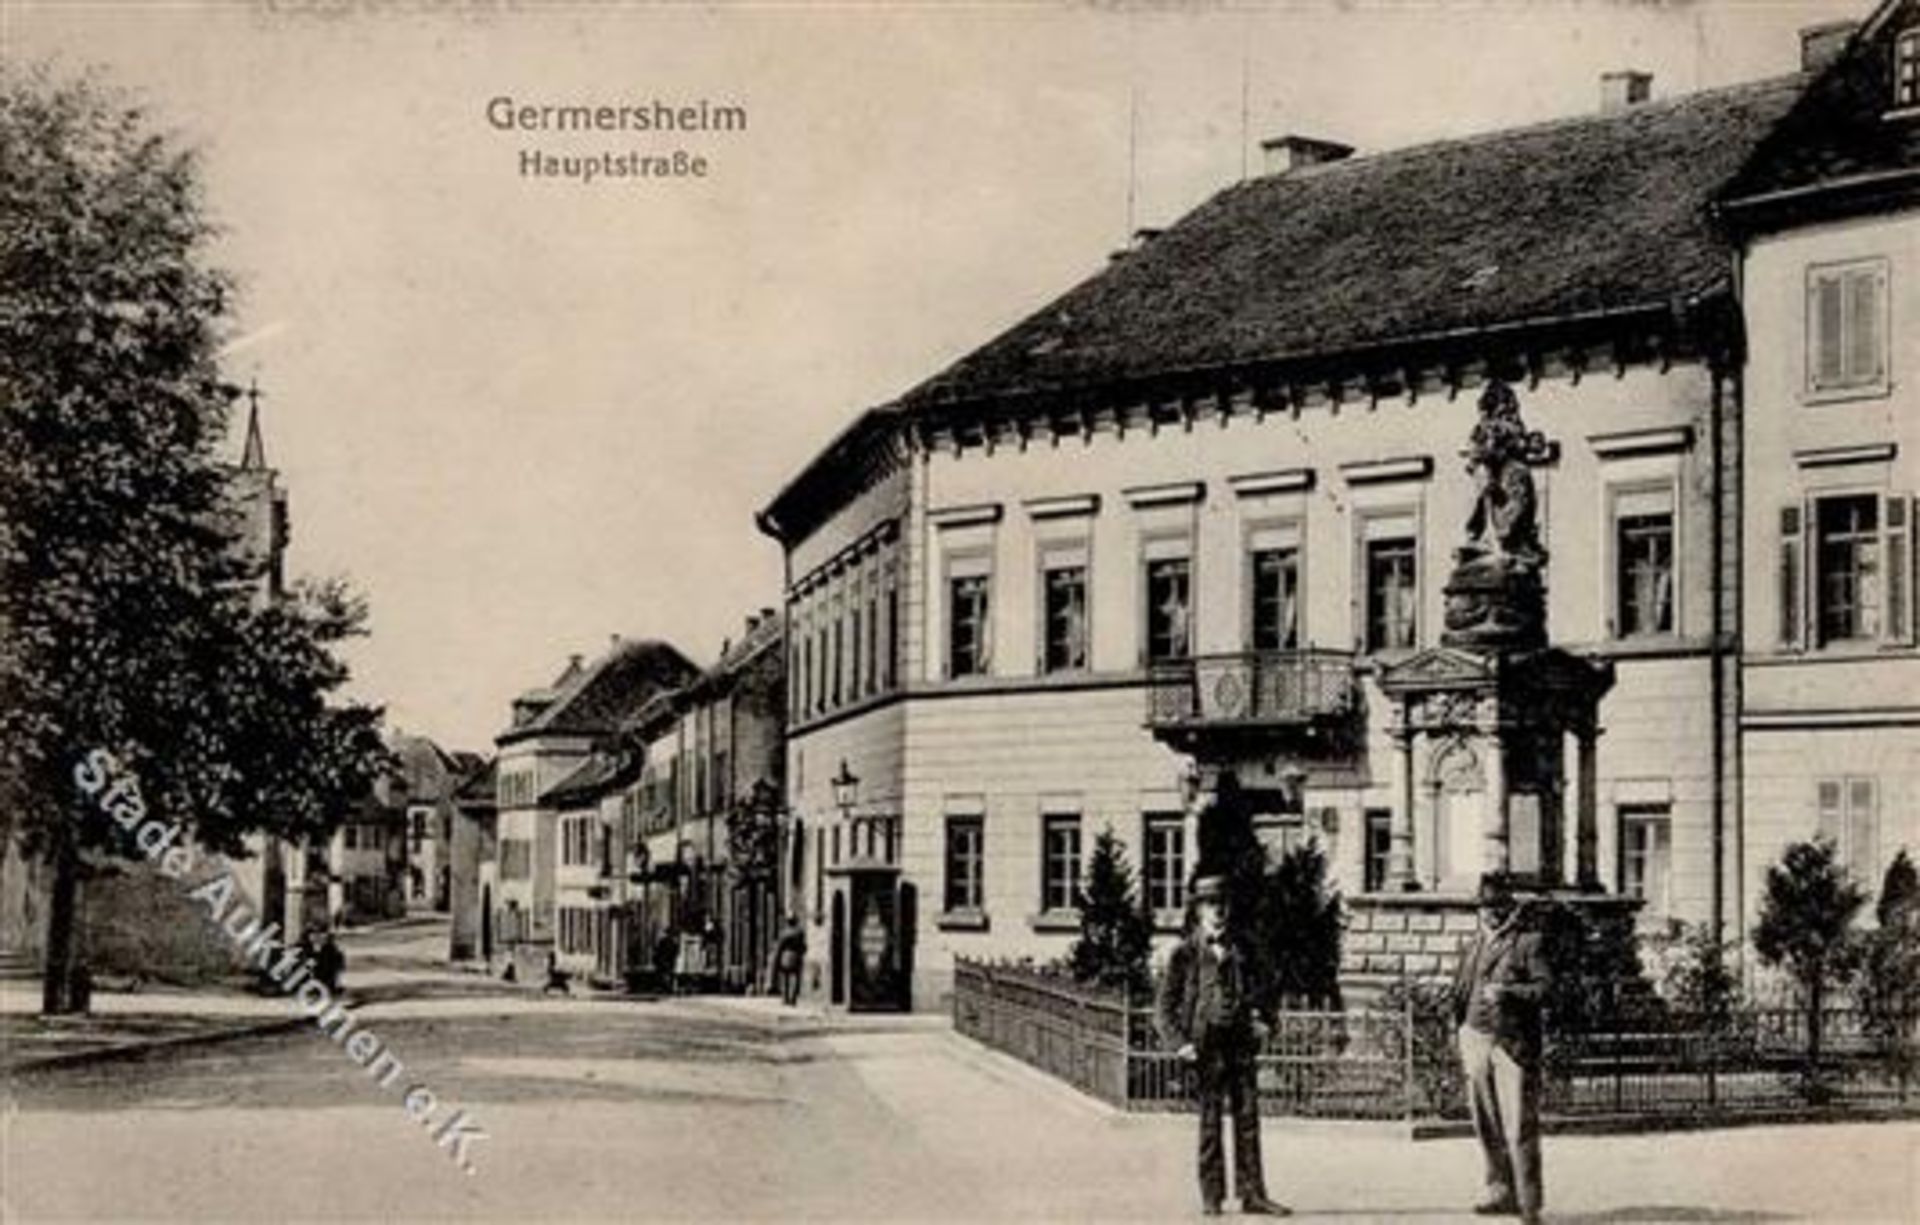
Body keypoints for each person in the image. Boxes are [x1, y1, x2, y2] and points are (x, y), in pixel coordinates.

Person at [1155, 876, 1289, 1218]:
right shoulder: (1185, 953)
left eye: (1223, 904)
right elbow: (1164, 1008)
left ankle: (1253, 1195)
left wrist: (1265, 1020)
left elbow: (1265, 990)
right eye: (1212, 904)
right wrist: (1179, 1043)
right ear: (1199, 909)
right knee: (1210, 1123)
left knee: (1248, 1120)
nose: (1219, 911)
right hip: (1206, 1046)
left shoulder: (1242, 948)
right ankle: (1211, 1197)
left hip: (1240, 1043)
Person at [1451, 872, 1552, 1225]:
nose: (1490, 914)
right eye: (1485, 907)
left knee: (1519, 1124)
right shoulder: (1472, 944)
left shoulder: (1528, 943)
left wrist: (1509, 993)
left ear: (1510, 909)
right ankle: (1500, 1192)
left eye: (1497, 907)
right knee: (1485, 1122)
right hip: (1475, 1039)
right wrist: (1462, 1028)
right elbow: (1461, 990)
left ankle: (1529, 1204)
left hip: (1511, 1044)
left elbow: (1545, 990)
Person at [772, 915, 807, 1007]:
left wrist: (777, 959)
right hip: (796, 956)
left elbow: (780, 946)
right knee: (796, 978)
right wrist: (801, 952)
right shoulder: (800, 933)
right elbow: (803, 946)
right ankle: (793, 998)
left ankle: (786, 998)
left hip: (786, 955)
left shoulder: (784, 933)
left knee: (786, 978)